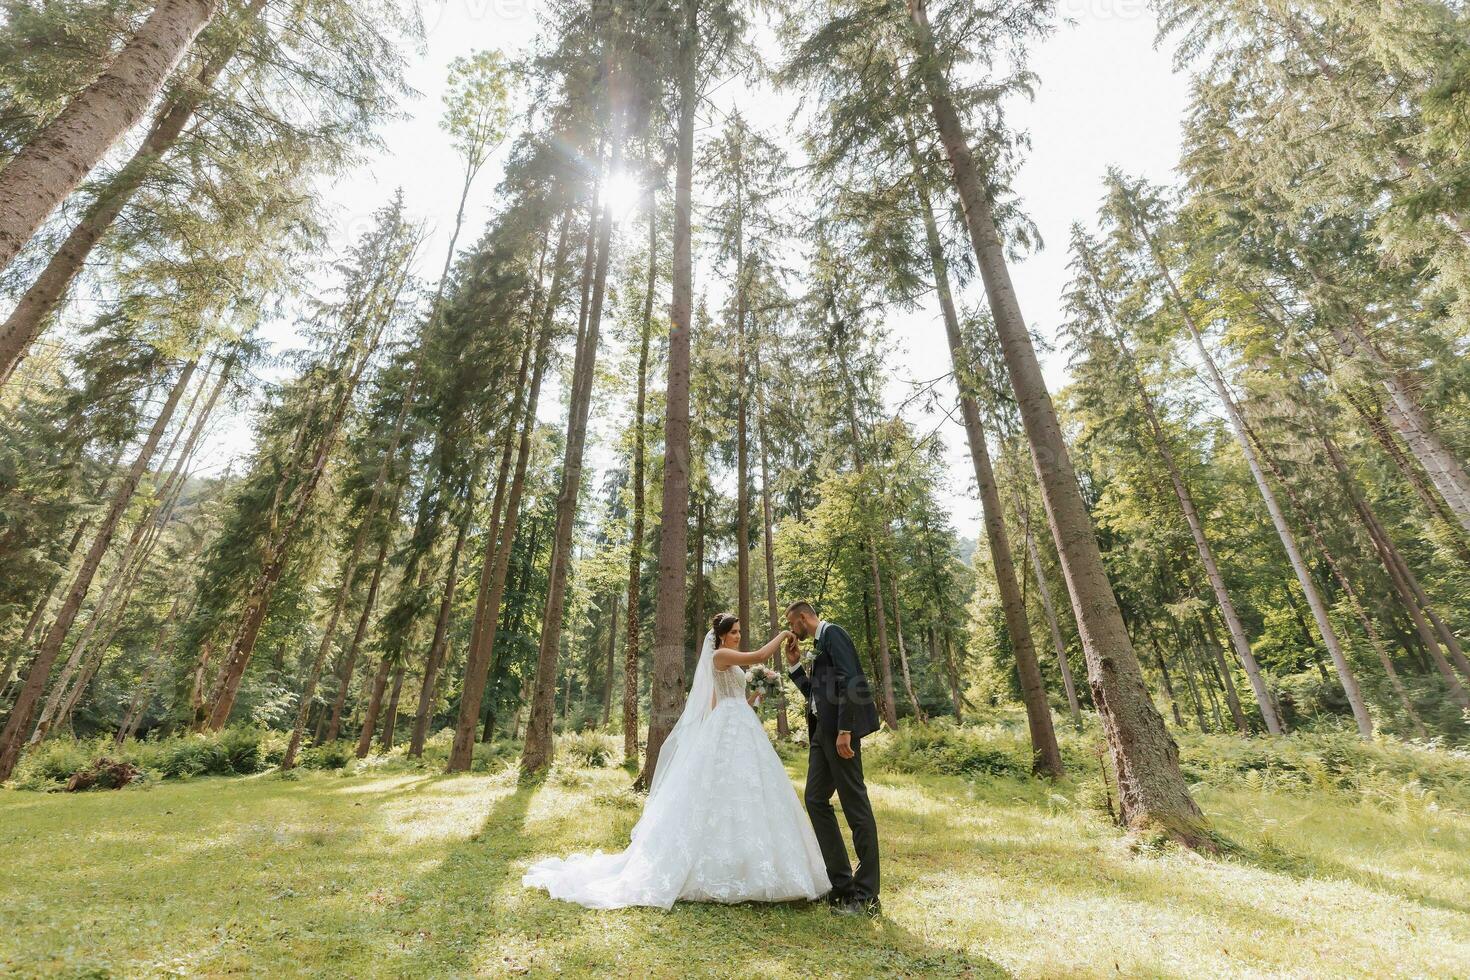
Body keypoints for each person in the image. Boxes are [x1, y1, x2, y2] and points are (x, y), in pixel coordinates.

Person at [521, 613, 830, 909]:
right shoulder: (719, 656)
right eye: (734, 632)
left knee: (746, 790)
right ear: (721, 636)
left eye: (738, 632)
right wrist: (784, 634)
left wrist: (758, 694)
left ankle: (749, 863)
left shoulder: (728, 662)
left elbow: (728, 701)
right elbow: (759, 656)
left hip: (739, 723)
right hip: (729, 725)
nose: (737, 636)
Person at [784, 600, 882, 916]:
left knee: (855, 805)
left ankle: (867, 897)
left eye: (792, 623)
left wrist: (845, 730)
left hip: (840, 732)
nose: (792, 630)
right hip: (820, 735)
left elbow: (851, 680)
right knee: (814, 800)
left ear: (802, 618)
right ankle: (842, 886)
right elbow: (817, 695)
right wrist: (795, 666)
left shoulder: (834, 634)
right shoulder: (819, 646)